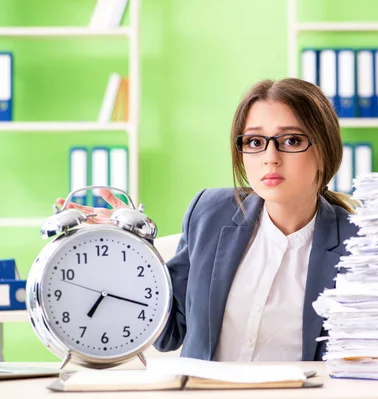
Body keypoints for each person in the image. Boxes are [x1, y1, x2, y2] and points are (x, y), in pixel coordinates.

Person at [57, 78, 359, 362]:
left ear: (324, 151)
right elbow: (167, 333)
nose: (270, 156)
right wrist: (131, 250)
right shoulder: (209, 213)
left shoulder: (360, 246)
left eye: (291, 140)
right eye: (254, 142)